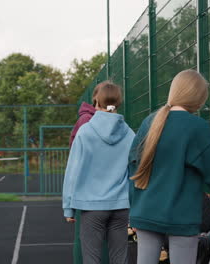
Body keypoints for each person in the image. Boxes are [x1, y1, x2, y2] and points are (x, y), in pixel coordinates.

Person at [128, 69, 210, 264]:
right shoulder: (198, 128)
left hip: (145, 212)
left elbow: (133, 170)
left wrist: (134, 210)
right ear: (200, 99)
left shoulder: (149, 123)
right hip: (181, 218)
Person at [63, 81, 135, 264]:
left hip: (91, 207)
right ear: (118, 103)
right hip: (121, 205)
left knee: (91, 259)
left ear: (96, 99)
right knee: (120, 258)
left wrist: (68, 206)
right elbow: (135, 169)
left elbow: (73, 170)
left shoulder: (85, 132)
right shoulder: (129, 134)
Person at [68, 80, 102, 264]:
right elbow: (77, 160)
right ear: (96, 98)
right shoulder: (87, 121)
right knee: (88, 244)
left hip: (99, 192)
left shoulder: (109, 121)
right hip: (90, 191)